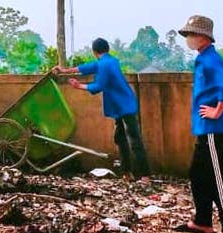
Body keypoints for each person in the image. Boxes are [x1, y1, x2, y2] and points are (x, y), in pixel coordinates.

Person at [174, 15, 223, 233]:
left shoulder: (212, 60)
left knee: (218, 177)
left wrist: (217, 111)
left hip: (214, 129)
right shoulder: (203, 59)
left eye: (191, 34)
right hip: (205, 128)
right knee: (197, 173)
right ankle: (202, 220)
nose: (188, 39)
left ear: (204, 37)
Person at [53, 37, 150, 178]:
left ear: (94, 51)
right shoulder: (109, 61)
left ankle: (143, 175)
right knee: (121, 137)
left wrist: (79, 86)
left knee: (133, 140)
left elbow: (99, 86)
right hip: (122, 105)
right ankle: (127, 172)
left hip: (123, 106)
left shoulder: (104, 64)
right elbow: (88, 67)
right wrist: (65, 70)